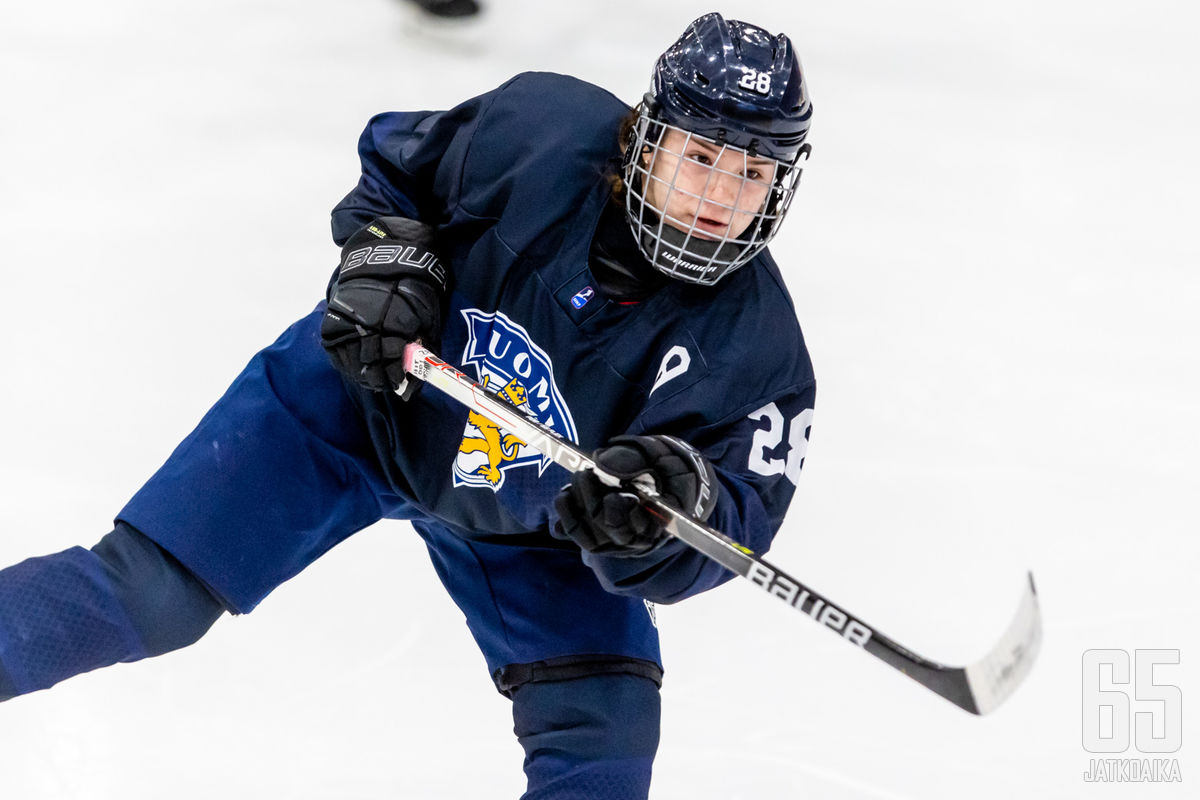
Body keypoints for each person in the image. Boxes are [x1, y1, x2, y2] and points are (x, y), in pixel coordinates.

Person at [0, 12, 815, 798]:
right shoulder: (539, 130)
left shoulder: (759, 356)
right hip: (361, 408)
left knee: (606, 739)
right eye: (701, 155)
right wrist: (388, 261)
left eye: (753, 172)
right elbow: (402, 170)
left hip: (536, 523)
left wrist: (657, 516)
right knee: (151, 596)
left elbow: (729, 523)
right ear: (645, 138)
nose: (721, 193)